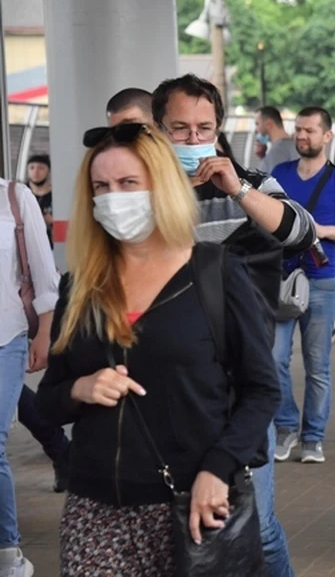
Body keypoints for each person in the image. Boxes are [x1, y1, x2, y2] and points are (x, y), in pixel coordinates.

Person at [35, 123, 280, 576]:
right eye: (101, 187)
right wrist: (81, 388)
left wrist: (218, 469)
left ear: (161, 187)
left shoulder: (215, 273)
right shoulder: (81, 287)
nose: (113, 197)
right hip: (96, 511)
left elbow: (262, 390)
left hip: (193, 505)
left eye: (129, 183)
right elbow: (47, 404)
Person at [151, 73, 313, 577]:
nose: (193, 140)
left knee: (257, 523)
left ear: (219, 128)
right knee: (178, 524)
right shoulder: (146, 192)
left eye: (203, 127)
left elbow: (300, 232)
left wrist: (238, 189)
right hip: (169, 382)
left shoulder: (250, 184)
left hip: (243, 382)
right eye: (179, 129)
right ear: (158, 131)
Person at [270, 107, 335, 464]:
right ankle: (285, 428)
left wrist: (322, 231)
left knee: (318, 364)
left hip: (321, 281)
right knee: (273, 358)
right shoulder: (279, 174)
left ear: (327, 136)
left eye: (309, 131)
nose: (301, 136)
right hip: (280, 280)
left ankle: (313, 437)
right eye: (298, 130)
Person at [1, 177, 59, 577]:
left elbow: (43, 274)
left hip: (6, 338)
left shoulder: (15, 198)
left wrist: (44, 332)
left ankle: (8, 552)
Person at [257, 105, 298, 174]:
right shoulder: (290, 146)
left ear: (269, 124)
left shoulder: (278, 151)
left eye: (257, 124)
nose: (256, 130)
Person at [26, 155, 53, 245]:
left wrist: (52, 222)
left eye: (41, 168)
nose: (36, 172)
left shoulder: (56, 195)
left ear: (48, 171)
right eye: (32, 168)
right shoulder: (21, 193)